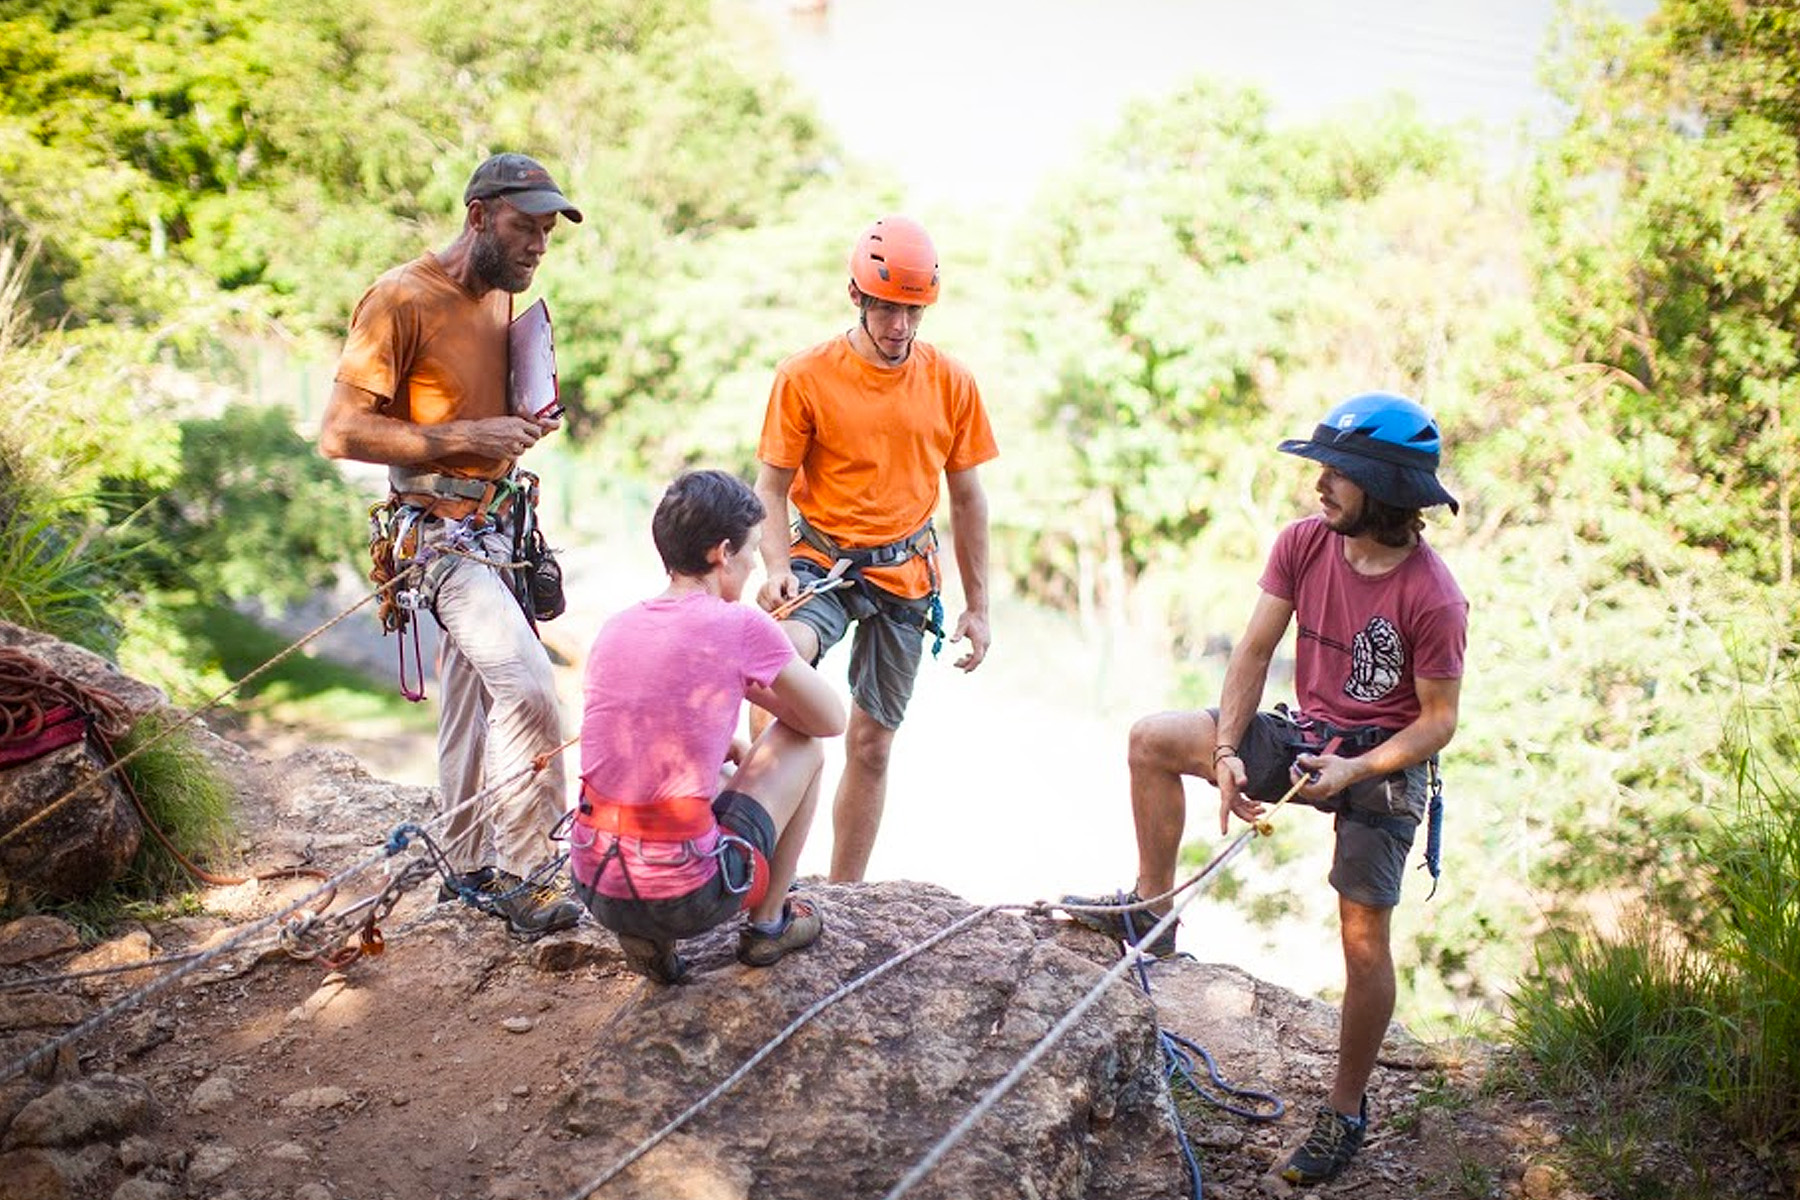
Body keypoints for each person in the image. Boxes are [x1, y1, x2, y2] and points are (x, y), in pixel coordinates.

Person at [1063, 393, 1468, 1187]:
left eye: (1338, 474)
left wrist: (1357, 770)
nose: (1321, 485)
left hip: (1381, 766)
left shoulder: (1433, 594)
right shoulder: (1304, 544)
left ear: (1381, 489)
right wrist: (1224, 750)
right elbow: (1252, 654)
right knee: (1151, 739)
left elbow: (1438, 723)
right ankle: (1153, 908)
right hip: (1307, 733)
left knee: (1363, 941)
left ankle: (1345, 1111)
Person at [319, 151, 586, 936]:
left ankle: (467, 867)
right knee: (529, 688)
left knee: (472, 699)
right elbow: (339, 432)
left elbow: (479, 404)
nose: (538, 245)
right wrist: (468, 435)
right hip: (436, 535)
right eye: (524, 227)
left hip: (499, 528)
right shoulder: (399, 298)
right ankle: (527, 869)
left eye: (547, 232)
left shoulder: (503, 300)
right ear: (478, 216)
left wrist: (523, 420)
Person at [753, 215, 999, 882]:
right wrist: (776, 567)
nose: (900, 327)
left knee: (873, 745)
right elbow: (769, 487)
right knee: (777, 661)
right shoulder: (806, 376)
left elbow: (970, 499)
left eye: (913, 311)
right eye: (887, 308)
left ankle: (844, 896)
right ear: (857, 298)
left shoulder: (951, 381)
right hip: (821, 558)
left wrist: (979, 607)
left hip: (905, 570)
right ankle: (759, 865)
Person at [571, 470, 846, 983]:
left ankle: (650, 936)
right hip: (687, 895)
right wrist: (760, 660)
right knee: (802, 745)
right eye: (751, 554)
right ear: (723, 552)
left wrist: (729, 696)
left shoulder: (618, 626)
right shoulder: (740, 624)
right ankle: (769, 924)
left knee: (706, 784)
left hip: (596, 881)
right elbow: (829, 719)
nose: (752, 567)